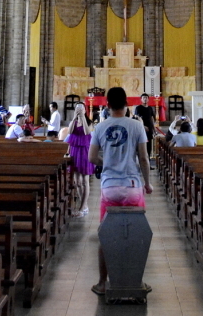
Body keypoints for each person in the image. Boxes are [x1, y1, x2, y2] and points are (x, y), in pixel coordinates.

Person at [88, 86, 152, 296]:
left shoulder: (100, 127)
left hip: (109, 186)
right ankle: (135, 281)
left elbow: (91, 157)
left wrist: (107, 162)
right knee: (136, 234)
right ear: (126, 103)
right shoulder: (136, 125)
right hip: (132, 185)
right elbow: (144, 158)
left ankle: (102, 282)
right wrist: (147, 183)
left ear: (107, 104)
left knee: (106, 235)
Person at [66, 102, 95, 216]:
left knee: (84, 181)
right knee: (77, 182)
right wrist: (74, 117)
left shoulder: (89, 122)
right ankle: (85, 205)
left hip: (84, 151)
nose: (79, 110)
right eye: (77, 108)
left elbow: (87, 132)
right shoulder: (73, 122)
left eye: (81, 108)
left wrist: (82, 117)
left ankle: (82, 207)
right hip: (74, 150)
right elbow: (69, 132)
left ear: (85, 110)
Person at [134, 93, 156, 159]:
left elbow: (152, 118)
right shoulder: (138, 108)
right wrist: (143, 126)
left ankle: (148, 161)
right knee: (142, 145)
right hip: (141, 129)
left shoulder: (150, 108)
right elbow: (136, 118)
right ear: (141, 99)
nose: (145, 99)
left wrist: (154, 129)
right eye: (144, 98)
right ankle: (142, 160)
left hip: (149, 129)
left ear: (148, 99)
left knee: (149, 146)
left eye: (146, 98)